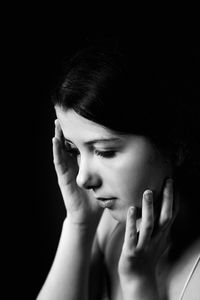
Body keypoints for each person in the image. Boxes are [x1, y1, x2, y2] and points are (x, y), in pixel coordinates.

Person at [36, 38, 200, 300]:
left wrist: (138, 282)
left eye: (105, 151)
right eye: (74, 150)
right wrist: (79, 223)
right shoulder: (107, 230)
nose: (82, 178)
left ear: (175, 145)